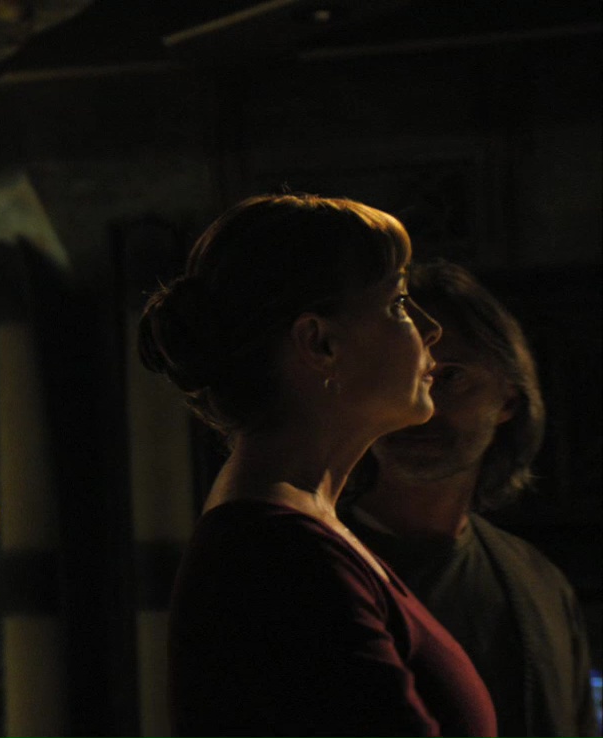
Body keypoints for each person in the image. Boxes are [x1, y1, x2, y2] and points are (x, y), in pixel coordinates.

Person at [139, 193, 497, 737]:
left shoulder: (301, 535)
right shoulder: (278, 558)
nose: (431, 330)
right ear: (319, 343)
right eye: (399, 303)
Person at [340, 259, 599, 738]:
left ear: (508, 400)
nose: (420, 406)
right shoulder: (313, 569)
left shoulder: (540, 584)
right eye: (395, 374)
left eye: (451, 376)